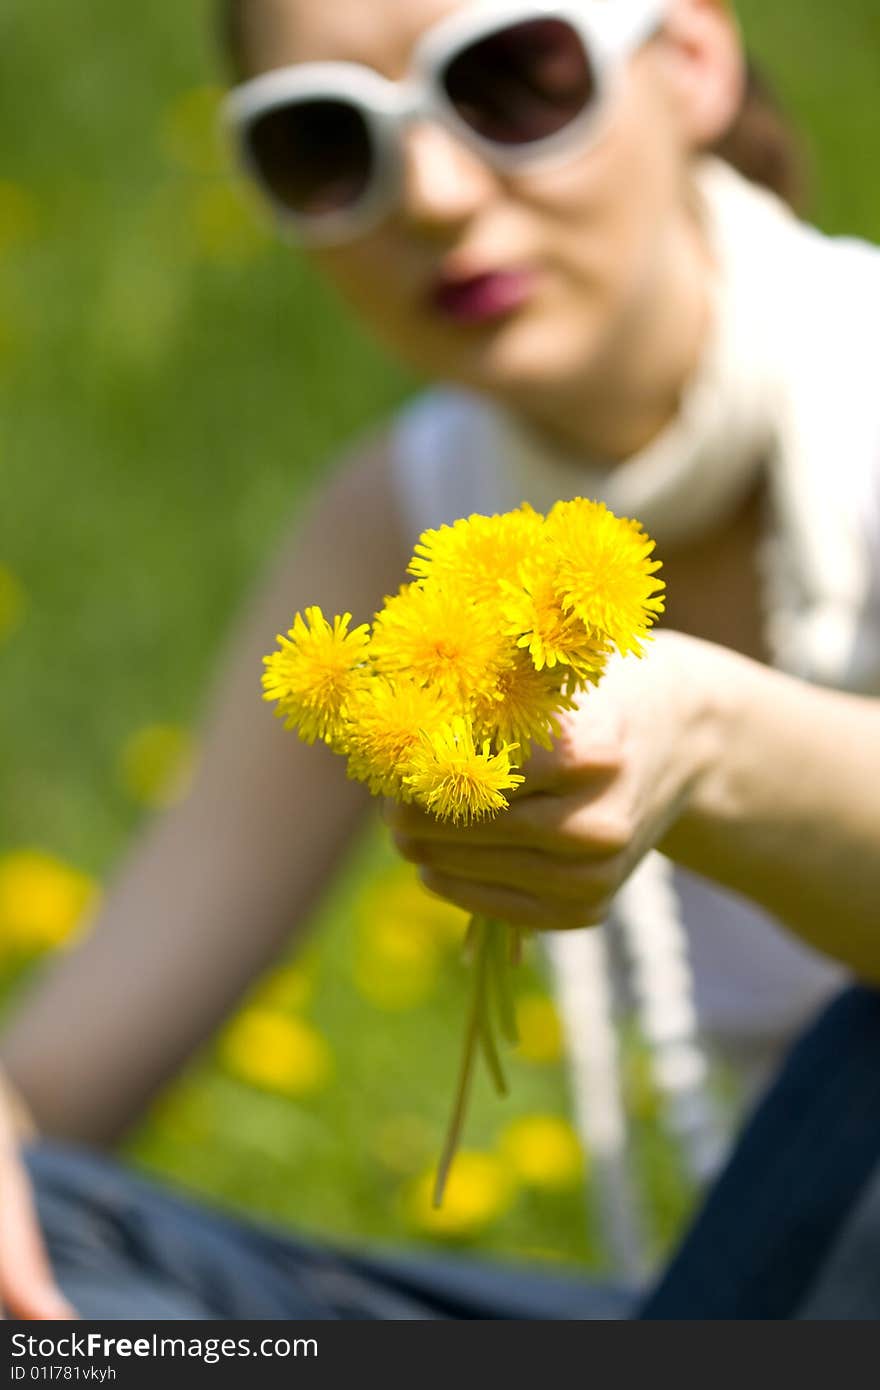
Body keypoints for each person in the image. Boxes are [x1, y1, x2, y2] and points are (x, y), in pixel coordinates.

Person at [1, 0, 879, 1319]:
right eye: (323, 143)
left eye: (510, 79)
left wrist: (707, 741)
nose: (431, 192)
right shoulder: (396, 520)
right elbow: (58, 1084)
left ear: (692, 58)